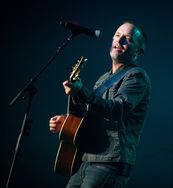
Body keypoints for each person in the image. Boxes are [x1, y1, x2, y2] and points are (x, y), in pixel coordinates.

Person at [49, 21, 151, 188]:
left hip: (110, 161)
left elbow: (117, 109)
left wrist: (82, 91)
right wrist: (67, 122)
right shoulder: (103, 79)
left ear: (138, 50)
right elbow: (92, 114)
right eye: (117, 35)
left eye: (128, 38)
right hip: (86, 158)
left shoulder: (137, 77)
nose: (120, 40)